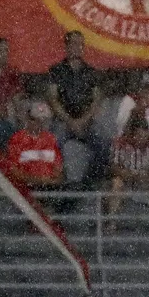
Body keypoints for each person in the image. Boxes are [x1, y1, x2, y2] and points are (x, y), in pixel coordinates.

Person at [48, 30, 106, 187]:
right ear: (66, 46)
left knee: (104, 142)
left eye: (81, 44)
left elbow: (96, 101)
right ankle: (59, 183)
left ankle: (89, 183)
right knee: (51, 144)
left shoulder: (91, 72)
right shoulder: (56, 70)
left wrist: (82, 121)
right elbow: (53, 100)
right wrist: (70, 121)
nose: (78, 47)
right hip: (63, 121)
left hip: (86, 121)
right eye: (74, 43)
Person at [4, 101, 64, 189]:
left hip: (49, 188)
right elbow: (14, 171)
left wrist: (51, 181)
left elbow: (58, 170)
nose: (38, 122)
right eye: (34, 119)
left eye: (42, 119)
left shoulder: (51, 139)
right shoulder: (17, 139)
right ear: (27, 119)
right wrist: (40, 180)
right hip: (25, 189)